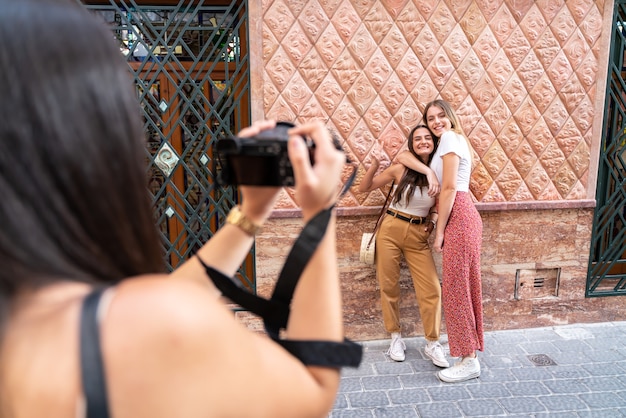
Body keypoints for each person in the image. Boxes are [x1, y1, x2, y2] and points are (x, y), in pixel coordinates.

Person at [0, 1, 358, 417]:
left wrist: (251, 213)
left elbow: (171, 298)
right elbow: (312, 388)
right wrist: (319, 213)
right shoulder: (144, 327)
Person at [396, 100, 484, 383]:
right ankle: (467, 351)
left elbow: (448, 189)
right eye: (430, 118)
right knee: (463, 287)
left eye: (440, 116)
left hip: (458, 214)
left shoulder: (449, 138)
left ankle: (469, 360)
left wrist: (441, 230)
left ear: (450, 117)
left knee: (457, 290)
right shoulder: (448, 142)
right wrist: (429, 171)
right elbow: (403, 156)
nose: (435, 122)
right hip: (460, 214)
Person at [358, 125, 448, 368]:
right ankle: (395, 338)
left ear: (434, 142)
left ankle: (432, 342)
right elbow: (365, 188)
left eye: (427, 138)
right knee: (389, 284)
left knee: (431, 288)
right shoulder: (401, 168)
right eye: (417, 138)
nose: (422, 141)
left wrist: (432, 222)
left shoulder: (440, 169)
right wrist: (375, 165)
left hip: (418, 234)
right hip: (391, 229)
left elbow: (439, 203)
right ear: (412, 143)